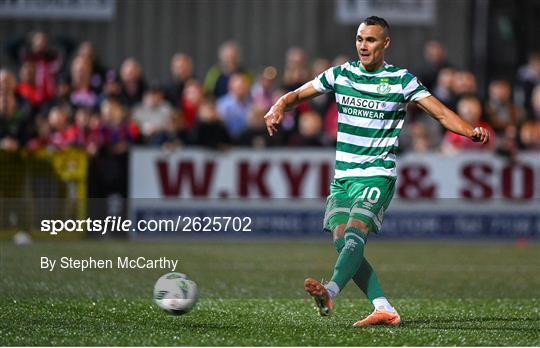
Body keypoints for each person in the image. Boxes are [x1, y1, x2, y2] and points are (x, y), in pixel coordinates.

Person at [264, 16, 490, 327]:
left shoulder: (401, 80)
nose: (363, 45)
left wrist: (470, 131)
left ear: (385, 43)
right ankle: (383, 307)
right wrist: (277, 107)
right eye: (359, 39)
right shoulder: (340, 74)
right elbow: (296, 95)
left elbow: (438, 112)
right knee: (341, 240)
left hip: (376, 173)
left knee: (356, 233)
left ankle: (329, 291)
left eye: (370, 40)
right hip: (343, 177)